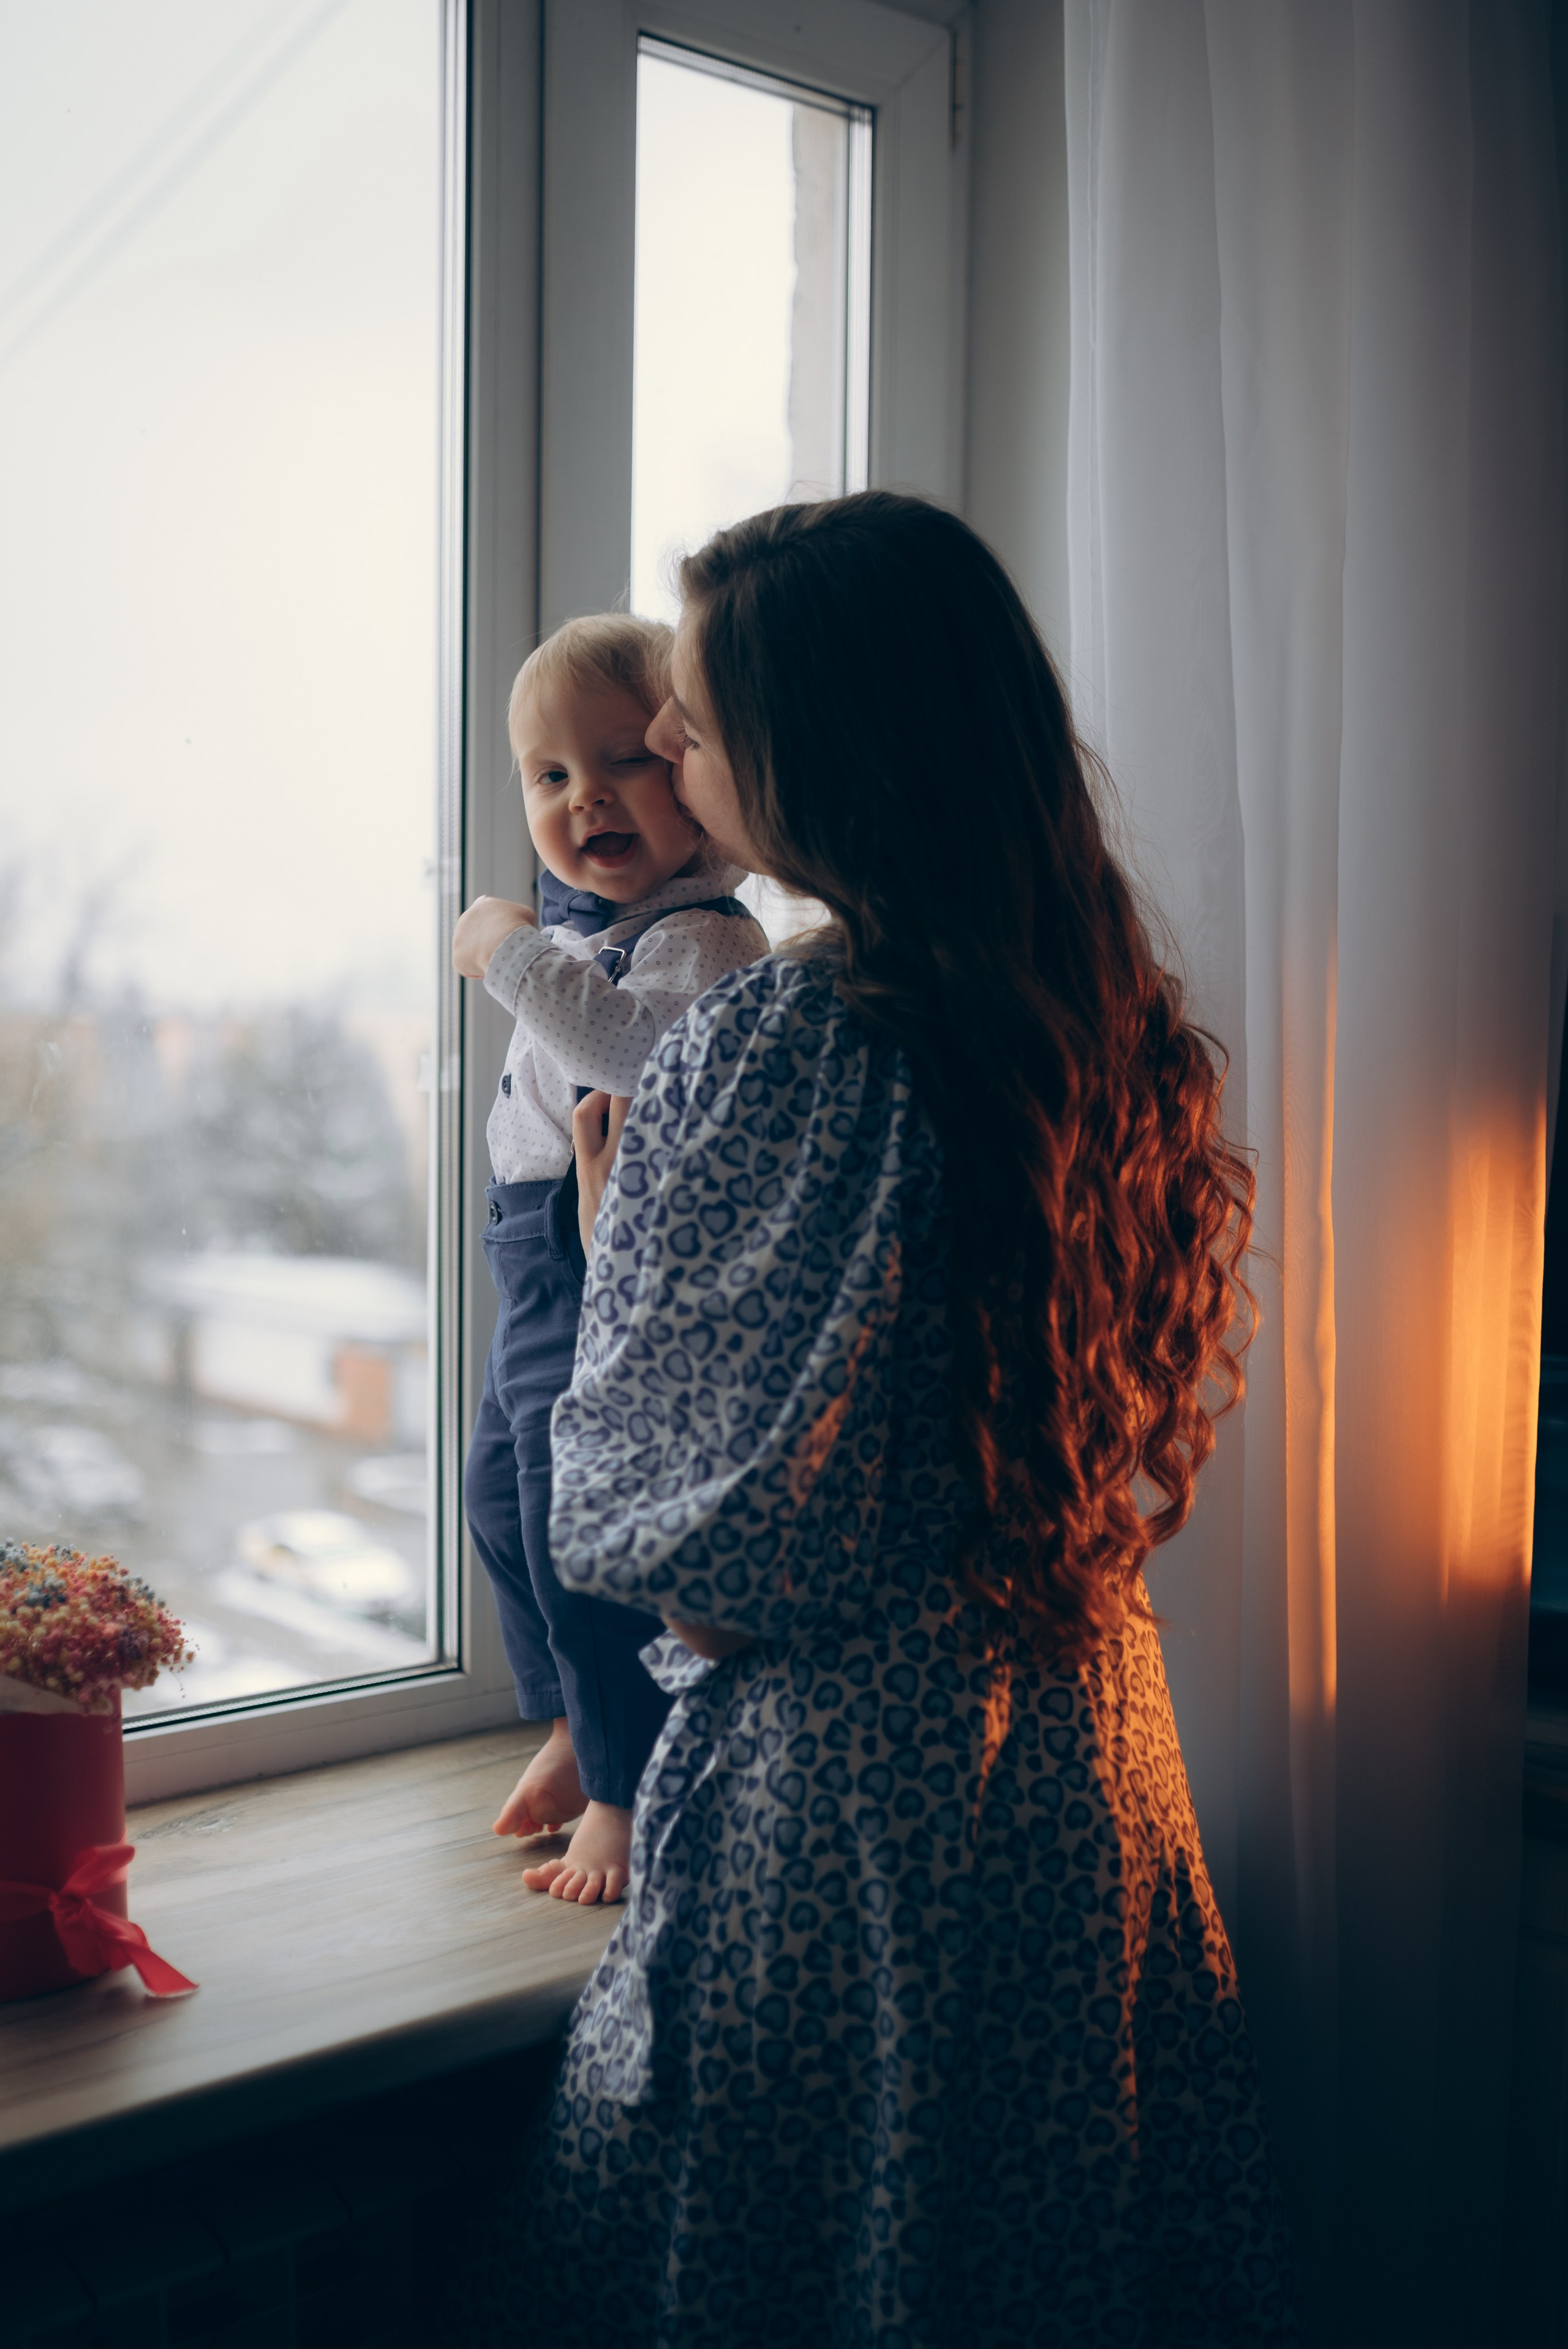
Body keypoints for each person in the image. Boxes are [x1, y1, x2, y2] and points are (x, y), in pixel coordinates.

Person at [454, 495, 1300, 2345]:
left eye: (685, 718)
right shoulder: (1104, 1021)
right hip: (1087, 1787)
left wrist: (614, 1258)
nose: (661, 752)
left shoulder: (787, 1041)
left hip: (859, 1845)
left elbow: (685, 1562)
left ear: (809, 741)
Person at [451, 614, 767, 1906]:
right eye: (548, 776)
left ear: (696, 779)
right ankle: (574, 1722)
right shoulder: (601, 926)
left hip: (599, 1253)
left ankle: (627, 1790)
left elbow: (631, 1058)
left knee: (572, 1519)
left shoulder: (703, 938)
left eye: (622, 760)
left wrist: (503, 952)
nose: (584, 799)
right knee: (490, 1494)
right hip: (527, 1238)